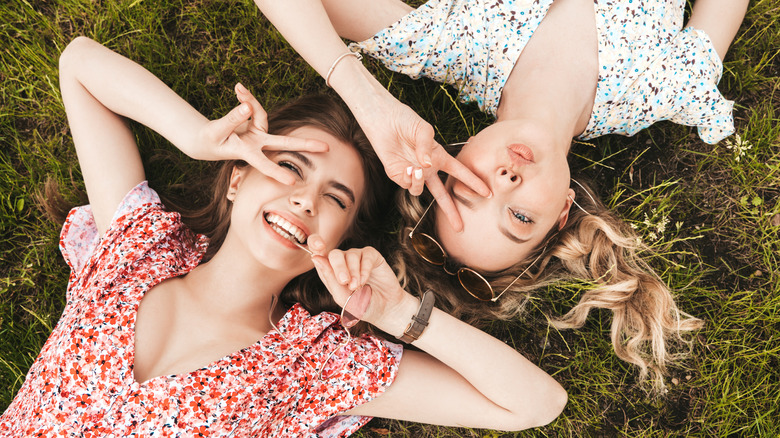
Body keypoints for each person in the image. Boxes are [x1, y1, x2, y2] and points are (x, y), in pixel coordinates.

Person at [0, 37, 567, 437]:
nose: (306, 200)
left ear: (341, 238)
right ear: (239, 173)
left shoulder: (310, 364)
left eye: (336, 200)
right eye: (291, 167)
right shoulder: (141, 244)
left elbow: (534, 405)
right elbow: (80, 65)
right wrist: (198, 136)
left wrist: (399, 316)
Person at [252, 0, 748, 390]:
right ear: (562, 213)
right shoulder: (663, 88)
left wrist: (370, 102)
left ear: (454, 154)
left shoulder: (454, 48)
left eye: (472, 187)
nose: (507, 181)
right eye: (519, 217)